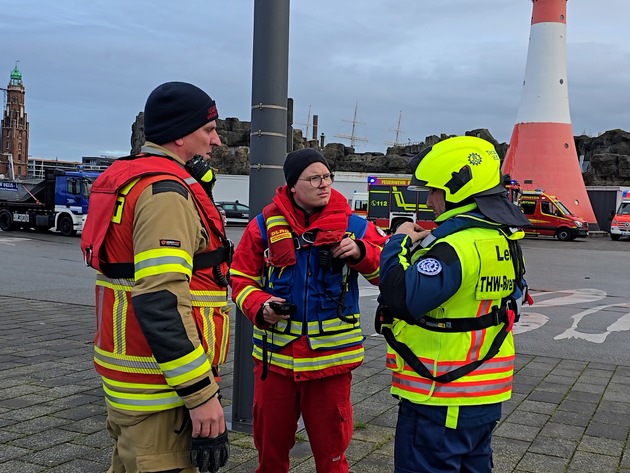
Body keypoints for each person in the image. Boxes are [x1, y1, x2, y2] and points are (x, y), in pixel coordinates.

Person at [80, 81, 231, 473]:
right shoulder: (165, 194)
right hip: (162, 393)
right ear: (181, 134)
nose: (214, 141)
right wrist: (200, 395)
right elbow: (161, 300)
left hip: (134, 383)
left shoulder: (131, 180)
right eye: (208, 130)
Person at [377, 136, 533, 473]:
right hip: (484, 397)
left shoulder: (454, 247)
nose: (430, 198)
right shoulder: (502, 238)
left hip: (441, 394)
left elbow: (401, 298)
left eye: (434, 190)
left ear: (457, 191)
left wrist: (398, 242)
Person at [229, 148, 387, 473]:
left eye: (327, 177)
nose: (324, 184)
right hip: (275, 365)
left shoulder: (354, 226)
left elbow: (389, 273)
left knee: (332, 459)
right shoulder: (262, 226)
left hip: (330, 368)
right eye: (314, 178)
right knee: (270, 457)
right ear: (292, 186)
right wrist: (260, 306)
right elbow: (240, 277)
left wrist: (361, 252)